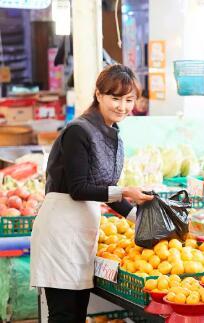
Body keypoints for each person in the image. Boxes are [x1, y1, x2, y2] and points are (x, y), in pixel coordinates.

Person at [30, 64, 153, 322]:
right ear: (99, 94)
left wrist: (140, 221)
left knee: (77, 314)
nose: (122, 106)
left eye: (129, 100)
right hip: (61, 230)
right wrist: (126, 190)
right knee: (64, 314)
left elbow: (105, 189)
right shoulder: (78, 131)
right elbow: (79, 189)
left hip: (82, 231)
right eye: (115, 98)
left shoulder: (113, 134)